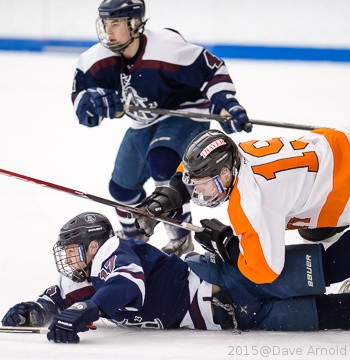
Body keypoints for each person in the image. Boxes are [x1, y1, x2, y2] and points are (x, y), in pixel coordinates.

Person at [71, 0, 252, 256]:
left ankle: (179, 237)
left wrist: (226, 103)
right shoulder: (95, 59)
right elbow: (81, 101)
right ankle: (135, 239)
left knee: (162, 161)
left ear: (135, 24)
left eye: (115, 23)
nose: (107, 31)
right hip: (143, 122)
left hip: (185, 114)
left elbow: (211, 70)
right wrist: (90, 105)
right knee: (121, 188)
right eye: (105, 23)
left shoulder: (167, 48)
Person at [3, 212, 350, 344]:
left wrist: (90, 309)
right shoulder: (83, 279)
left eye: (73, 249)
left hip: (232, 280)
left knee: (330, 266)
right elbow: (55, 299)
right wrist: (33, 310)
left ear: (94, 244)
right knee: (332, 313)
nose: (67, 259)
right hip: (234, 317)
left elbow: (127, 285)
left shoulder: (114, 250)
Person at [134, 127, 350, 284]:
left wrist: (228, 245)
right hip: (338, 146)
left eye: (203, 184)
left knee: (326, 269)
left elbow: (266, 271)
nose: (198, 190)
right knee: (314, 232)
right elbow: (193, 168)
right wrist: (170, 195)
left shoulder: (250, 201)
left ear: (225, 174)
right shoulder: (237, 154)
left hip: (343, 183)